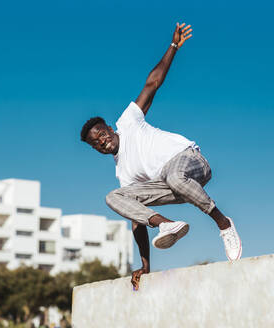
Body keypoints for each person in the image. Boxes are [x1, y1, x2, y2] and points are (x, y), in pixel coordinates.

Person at [80, 22, 242, 290]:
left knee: (173, 175)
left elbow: (152, 83)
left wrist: (174, 46)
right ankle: (168, 225)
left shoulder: (128, 121)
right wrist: (146, 267)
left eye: (102, 135)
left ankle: (224, 224)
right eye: (97, 144)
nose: (102, 142)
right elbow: (137, 220)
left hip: (190, 162)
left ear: (110, 128)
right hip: (176, 189)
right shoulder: (123, 173)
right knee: (114, 197)